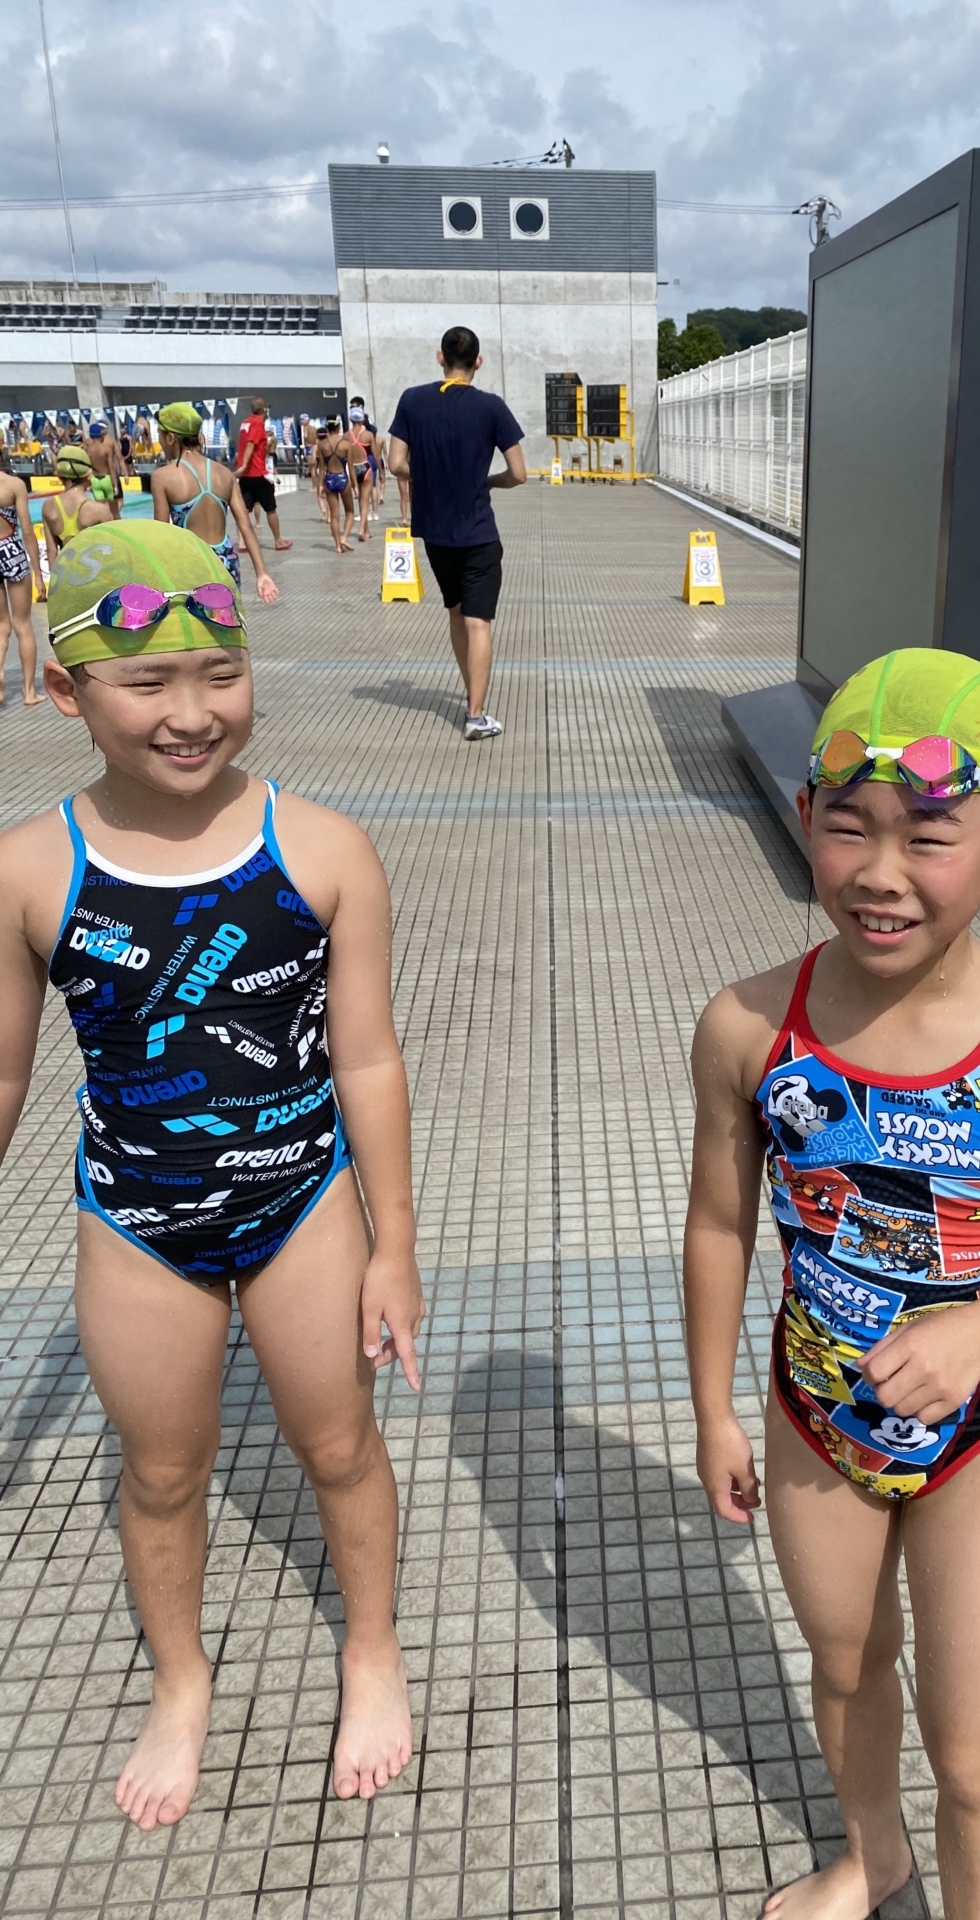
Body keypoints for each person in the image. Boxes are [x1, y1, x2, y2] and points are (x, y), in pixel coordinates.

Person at [684, 650, 980, 1920]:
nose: (881, 873)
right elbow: (721, 1218)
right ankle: (873, 1856)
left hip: (976, 1441)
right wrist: (714, 1409)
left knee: (970, 1748)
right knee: (844, 1672)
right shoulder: (750, 1026)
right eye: (849, 827)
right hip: (813, 1419)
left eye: (930, 838)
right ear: (806, 823)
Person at [0, 518, 425, 1831]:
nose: (192, 714)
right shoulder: (31, 870)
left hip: (303, 1204)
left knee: (342, 1447)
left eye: (219, 673)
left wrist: (393, 1243)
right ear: (67, 687)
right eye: (148, 684)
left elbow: (366, 1065)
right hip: (134, 1218)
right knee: (162, 1473)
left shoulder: (323, 849)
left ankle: (371, 1650)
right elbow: (5, 1079)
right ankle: (180, 1682)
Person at [388, 326, 525, 741]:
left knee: (456, 613)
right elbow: (519, 473)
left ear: (439, 357)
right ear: (478, 362)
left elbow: (395, 464)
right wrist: (488, 482)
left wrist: (429, 475)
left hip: (435, 533)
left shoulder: (412, 400)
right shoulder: (491, 407)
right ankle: (476, 714)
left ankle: (472, 696)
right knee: (479, 623)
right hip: (478, 532)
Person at [150, 402, 278, 603]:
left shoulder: (162, 477)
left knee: (197, 631)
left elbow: (159, 536)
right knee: (228, 624)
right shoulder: (224, 473)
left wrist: (156, 583)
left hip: (191, 563)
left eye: (160, 435)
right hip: (225, 563)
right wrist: (262, 573)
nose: (160, 442)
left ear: (171, 438)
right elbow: (245, 526)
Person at [0, 465, 45, 705]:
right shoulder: (13, 484)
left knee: (1, 625)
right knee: (23, 624)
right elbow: (27, 530)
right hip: (12, 551)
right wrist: (38, 574)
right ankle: (29, 692)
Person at [233, 397, 293, 554]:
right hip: (258, 474)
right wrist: (246, 463)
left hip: (245, 476)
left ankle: (242, 542)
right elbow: (250, 444)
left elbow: (245, 443)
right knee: (270, 509)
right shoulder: (257, 424)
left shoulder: (245, 423)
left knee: (244, 510)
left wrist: (241, 467)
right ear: (264, 410)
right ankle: (278, 541)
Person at [42, 445, 113, 559]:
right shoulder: (100, 511)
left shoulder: (48, 506)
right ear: (88, 475)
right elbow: (111, 552)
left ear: (59, 474)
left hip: (64, 573)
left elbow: (52, 552)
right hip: (93, 574)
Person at [315, 418, 356, 553]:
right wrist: (355, 486)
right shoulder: (345, 444)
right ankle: (344, 537)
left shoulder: (322, 445)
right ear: (339, 427)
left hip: (329, 478)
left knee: (334, 515)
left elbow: (321, 468)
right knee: (350, 512)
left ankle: (338, 546)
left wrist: (320, 485)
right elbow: (350, 467)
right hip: (342, 477)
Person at [346, 401, 377, 542]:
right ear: (362, 419)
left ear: (351, 420)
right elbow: (375, 454)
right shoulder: (369, 435)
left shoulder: (346, 436)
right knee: (365, 501)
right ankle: (360, 531)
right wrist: (381, 470)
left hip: (352, 468)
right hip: (365, 467)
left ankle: (366, 530)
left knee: (360, 500)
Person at [87, 418, 125, 520]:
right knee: (115, 511)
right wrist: (115, 486)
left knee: (101, 510)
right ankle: (120, 529)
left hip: (95, 481)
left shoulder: (88, 450)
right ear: (101, 435)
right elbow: (111, 468)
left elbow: (87, 467)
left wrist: (89, 483)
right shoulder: (106, 449)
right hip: (107, 480)